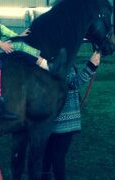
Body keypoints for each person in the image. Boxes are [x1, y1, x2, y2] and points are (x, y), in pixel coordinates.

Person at [41, 51, 101, 180]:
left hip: (51, 119)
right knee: (57, 157)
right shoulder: (61, 60)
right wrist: (91, 66)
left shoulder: (50, 57)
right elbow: (72, 83)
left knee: (48, 156)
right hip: (64, 121)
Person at [0, 0, 49, 70]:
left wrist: (16, 36)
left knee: (20, 40)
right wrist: (0, 44)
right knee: (20, 45)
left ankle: (41, 58)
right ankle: (46, 65)